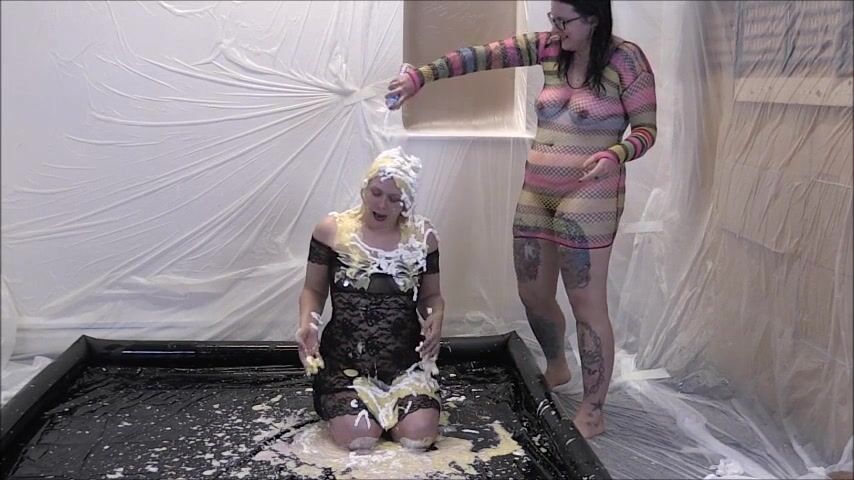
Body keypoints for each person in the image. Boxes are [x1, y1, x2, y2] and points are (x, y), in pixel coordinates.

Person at [385, 0, 656, 439]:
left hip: (591, 194)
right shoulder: (550, 48)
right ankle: (557, 364)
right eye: (552, 19)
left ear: (593, 19)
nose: (556, 28)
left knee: (587, 303)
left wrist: (616, 153)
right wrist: (421, 76)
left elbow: (646, 129)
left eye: (564, 21)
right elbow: (482, 56)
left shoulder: (626, 60)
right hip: (538, 187)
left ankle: (593, 409)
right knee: (532, 293)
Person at [295, 146, 445, 452]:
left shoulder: (423, 238)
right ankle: (357, 409)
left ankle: (404, 407)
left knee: (419, 436)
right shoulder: (332, 231)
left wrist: (435, 316)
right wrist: (308, 323)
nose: (382, 204)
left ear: (407, 202)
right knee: (359, 437)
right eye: (376, 193)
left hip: (404, 363)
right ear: (364, 188)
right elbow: (313, 290)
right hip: (345, 363)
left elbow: (431, 296)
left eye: (393, 198)